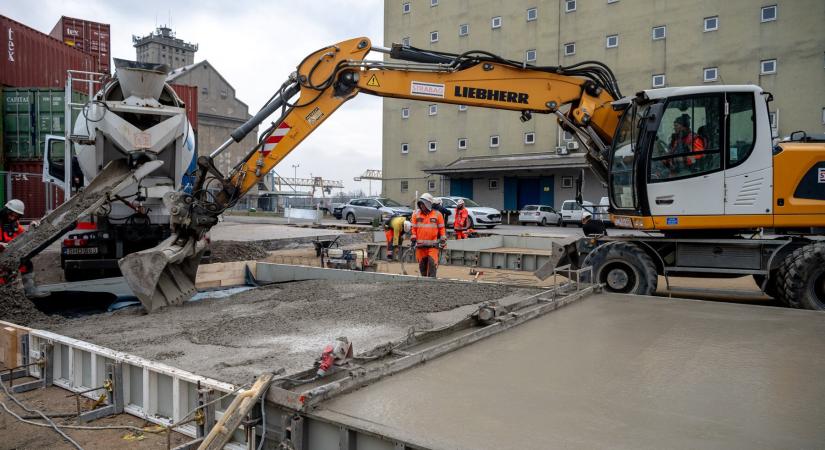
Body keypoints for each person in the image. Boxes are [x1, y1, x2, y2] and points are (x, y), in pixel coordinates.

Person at [0, 199, 46, 297]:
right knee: (4, 278)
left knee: (26, 263)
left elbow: (23, 235)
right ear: (6, 211)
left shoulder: (15, 224)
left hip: (9, 255)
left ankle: (31, 291)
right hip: (1, 256)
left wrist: (32, 227)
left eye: (16, 216)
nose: (12, 218)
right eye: (11, 215)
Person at [410, 193, 446, 277]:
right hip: (420, 247)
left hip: (433, 246)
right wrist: (413, 239)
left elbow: (442, 229)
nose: (422, 206)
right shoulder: (416, 214)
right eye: (421, 204)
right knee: (422, 268)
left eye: (423, 204)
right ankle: (424, 287)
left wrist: (443, 240)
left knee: (432, 265)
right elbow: (413, 229)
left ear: (429, 204)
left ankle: (432, 285)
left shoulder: (438, 215)